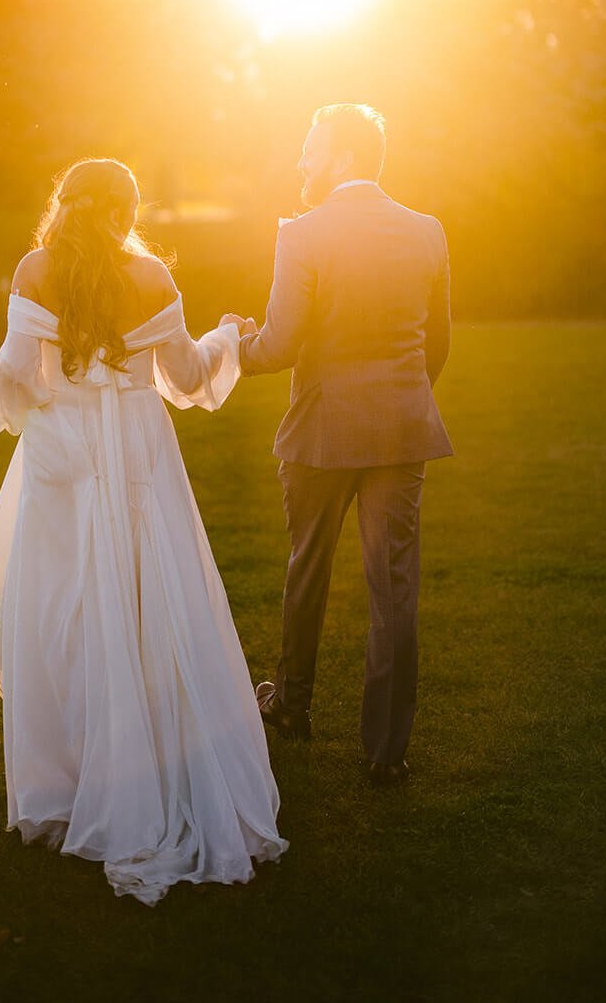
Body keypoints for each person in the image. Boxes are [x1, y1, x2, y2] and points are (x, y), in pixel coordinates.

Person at [0, 158, 286, 905]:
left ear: (64, 204)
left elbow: (13, 375)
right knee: (152, 596)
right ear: (127, 210)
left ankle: (71, 776)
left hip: (63, 457)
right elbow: (186, 377)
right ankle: (152, 760)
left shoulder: (35, 269)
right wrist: (225, 337)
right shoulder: (150, 277)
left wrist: (48, 396)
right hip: (138, 452)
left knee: (65, 605)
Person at [226, 103, 452, 784]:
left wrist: (233, 341)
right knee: (394, 588)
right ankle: (386, 752)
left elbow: (276, 346)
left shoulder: (302, 233)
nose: (302, 160)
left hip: (321, 432)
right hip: (401, 430)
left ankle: (292, 705)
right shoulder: (427, 230)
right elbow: (436, 345)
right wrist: (398, 397)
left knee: (307, 569)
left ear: (344, 156)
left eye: (311, 147)